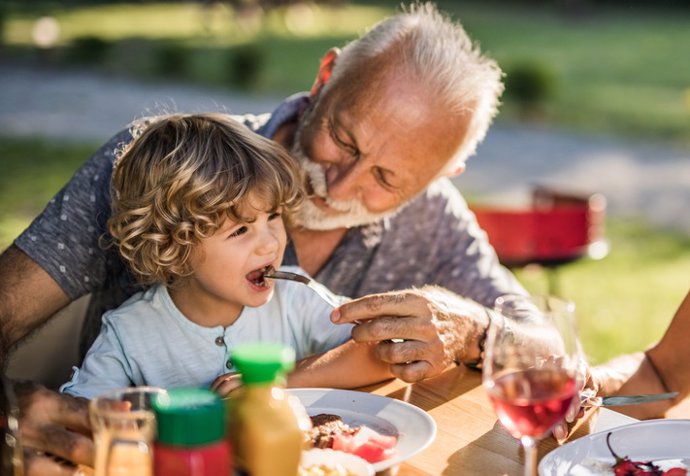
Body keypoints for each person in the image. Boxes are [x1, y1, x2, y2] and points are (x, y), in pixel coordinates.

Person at [0, 3, 528, 473]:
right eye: (342, 138)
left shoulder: (428, 223)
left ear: (443, 172)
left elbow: (539, 341)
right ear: (325, 75)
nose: (337, 186)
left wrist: (480, 327)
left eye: (387, 180)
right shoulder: (164, 171)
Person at [59, 113, 392, 400]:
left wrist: (276, 382)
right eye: (240, 231)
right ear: (174, 246)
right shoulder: (128, 335)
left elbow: (383, 352)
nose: (271, 244)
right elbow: (82, 418)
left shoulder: (296, 300)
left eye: (273, 216)